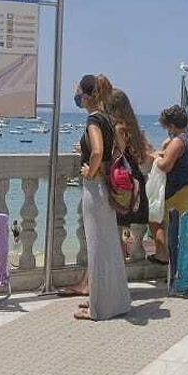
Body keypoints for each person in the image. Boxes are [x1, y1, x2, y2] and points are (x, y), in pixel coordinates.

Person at [71, 74, 132, 320]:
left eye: (77, 92)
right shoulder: (108, 118)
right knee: (108, 246)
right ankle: (114, 301)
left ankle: (99, 308)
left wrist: (91, 168)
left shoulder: (94, 119)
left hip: (95, 187)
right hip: (106, 186)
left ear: (86, 95)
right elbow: (116, 149)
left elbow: (97, 151)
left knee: (97, 246)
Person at [105, 89, 152, 258]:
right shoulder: (135, 128)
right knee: (131, 224)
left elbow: (117, 155)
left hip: (123, 181)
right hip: (137, 179)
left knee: (117, 226)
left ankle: (117, 272)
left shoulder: (119, 128)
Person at [150, 105, 188, 263]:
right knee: (180, 229)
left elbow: (166, 166)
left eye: (166, 127)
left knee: (155, 219)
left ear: (171, 125)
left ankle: (162, 255)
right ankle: (180, 261)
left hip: (177, 190)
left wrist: (156, 159)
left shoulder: (177, 141)